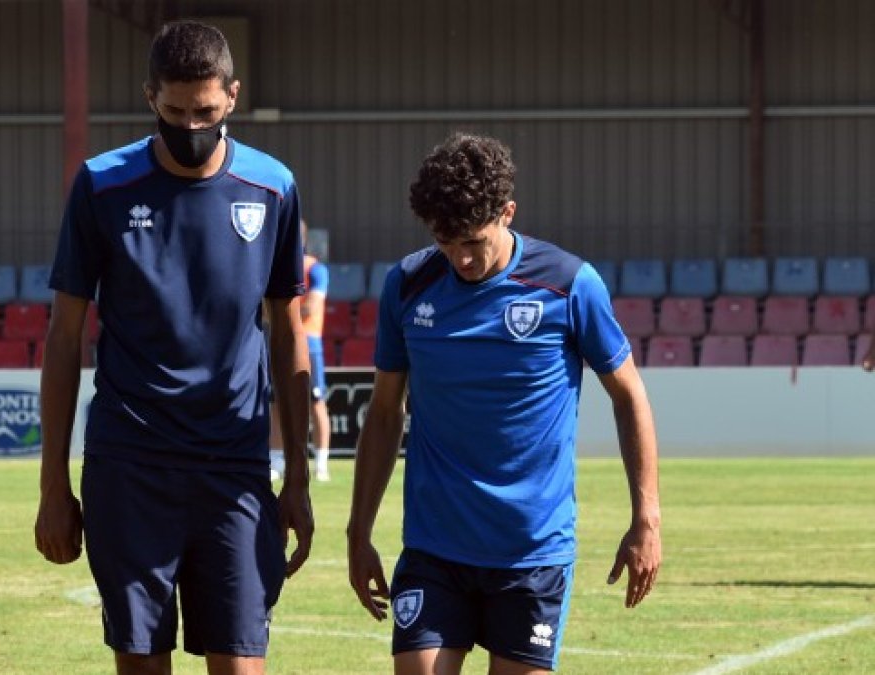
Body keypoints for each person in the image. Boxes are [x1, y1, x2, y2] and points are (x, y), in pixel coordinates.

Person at [34, 20, 314, 675]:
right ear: (149, 97)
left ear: (233, 98)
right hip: (129, 464)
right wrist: (52, 483)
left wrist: (296, 476)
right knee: (140, 662)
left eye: (207, 112)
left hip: (234, 467)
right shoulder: (102, 186)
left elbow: (289, 334)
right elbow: (63, 336)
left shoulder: (273, 188)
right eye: (176, 111)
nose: (192, 126)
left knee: (242, 661)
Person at [346, 133, 662, 675]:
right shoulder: (408, 285)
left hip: (530, 553)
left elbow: (629, 395)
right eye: (446, 243)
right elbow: (382, 414)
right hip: (434, 546)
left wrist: (646, 519)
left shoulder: (569, 285)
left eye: (474, 240)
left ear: (507, 213)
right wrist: (359, 532)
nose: (461, 258)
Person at [270, 219, 333, 482]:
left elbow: (311, 306)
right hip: (278, 339)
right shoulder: (275, 268)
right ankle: (276, 460)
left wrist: (280, 314)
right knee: (275, 402)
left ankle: (320, 462)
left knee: (316, 400)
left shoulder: (315, 269)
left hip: (309, 342)